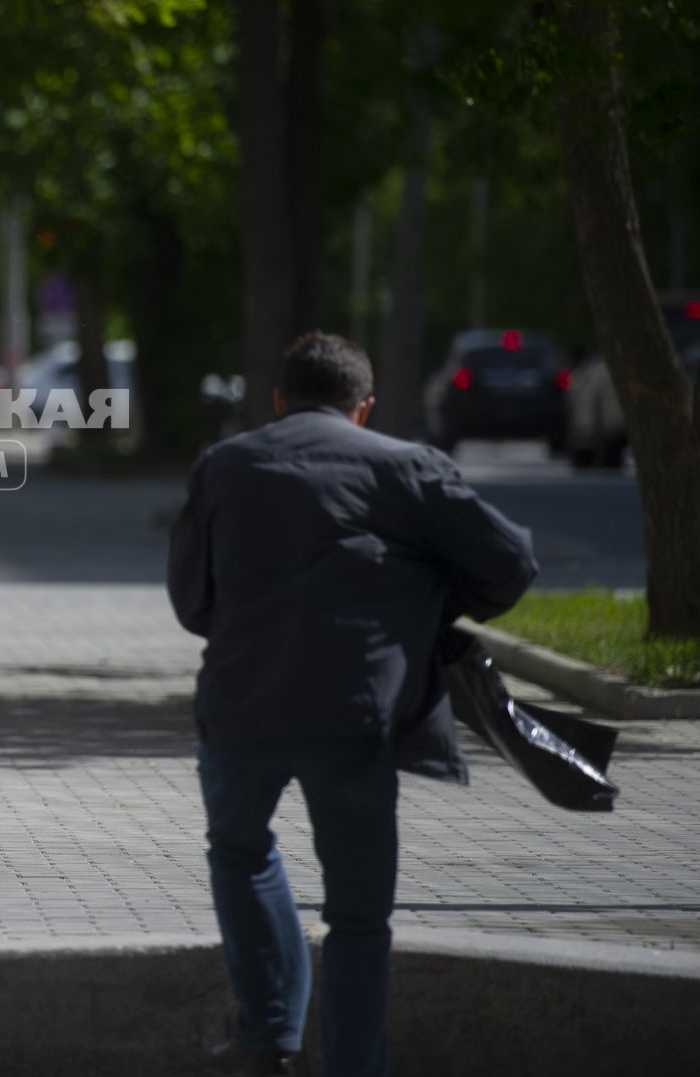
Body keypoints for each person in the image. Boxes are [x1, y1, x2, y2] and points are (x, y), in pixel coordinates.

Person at [167, 332, 537, 1077]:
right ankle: (353, 1066)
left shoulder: (225, 464)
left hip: (241, 705)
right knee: (358, 914)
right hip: (355, 715)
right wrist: (425, 602)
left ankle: (269, 1035)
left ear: (277, 401)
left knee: (239, 851)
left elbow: (190, 599)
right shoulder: (405, 466)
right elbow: (512, 563)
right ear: (362, 408)